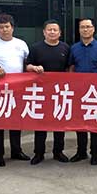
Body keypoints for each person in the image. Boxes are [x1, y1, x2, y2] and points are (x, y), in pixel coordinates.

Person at [0, 13, 30, 166]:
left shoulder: (21, 44)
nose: (4, 30)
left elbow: (27, 64)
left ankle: (16, 151)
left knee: (16, 122)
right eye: (1, 27)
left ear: (12, 28)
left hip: (18, 88)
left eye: (7, 27)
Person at [26, 19, 71, 165]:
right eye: (49, 30)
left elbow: (69, 68)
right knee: (41, 123)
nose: (52, 32)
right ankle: (39, 153)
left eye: (55, 30)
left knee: (59, 123)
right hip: (41, 91)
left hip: (60, 91)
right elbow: (27, 66)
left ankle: (58, 152)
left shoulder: (65, 48)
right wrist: (34, 68)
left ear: (60, 33)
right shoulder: (35, 48)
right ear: (44, 32)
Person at [68, 18, 97, 165]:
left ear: (93, 29)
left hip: (95, 92)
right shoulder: (74, 48)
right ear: (79, 30)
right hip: (79, 91)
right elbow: (71, 67)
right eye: (82, 27)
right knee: (80, 123)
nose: (85, 30)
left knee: (95, 123)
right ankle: (81, 152)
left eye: (88, 27)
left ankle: (95, 153)